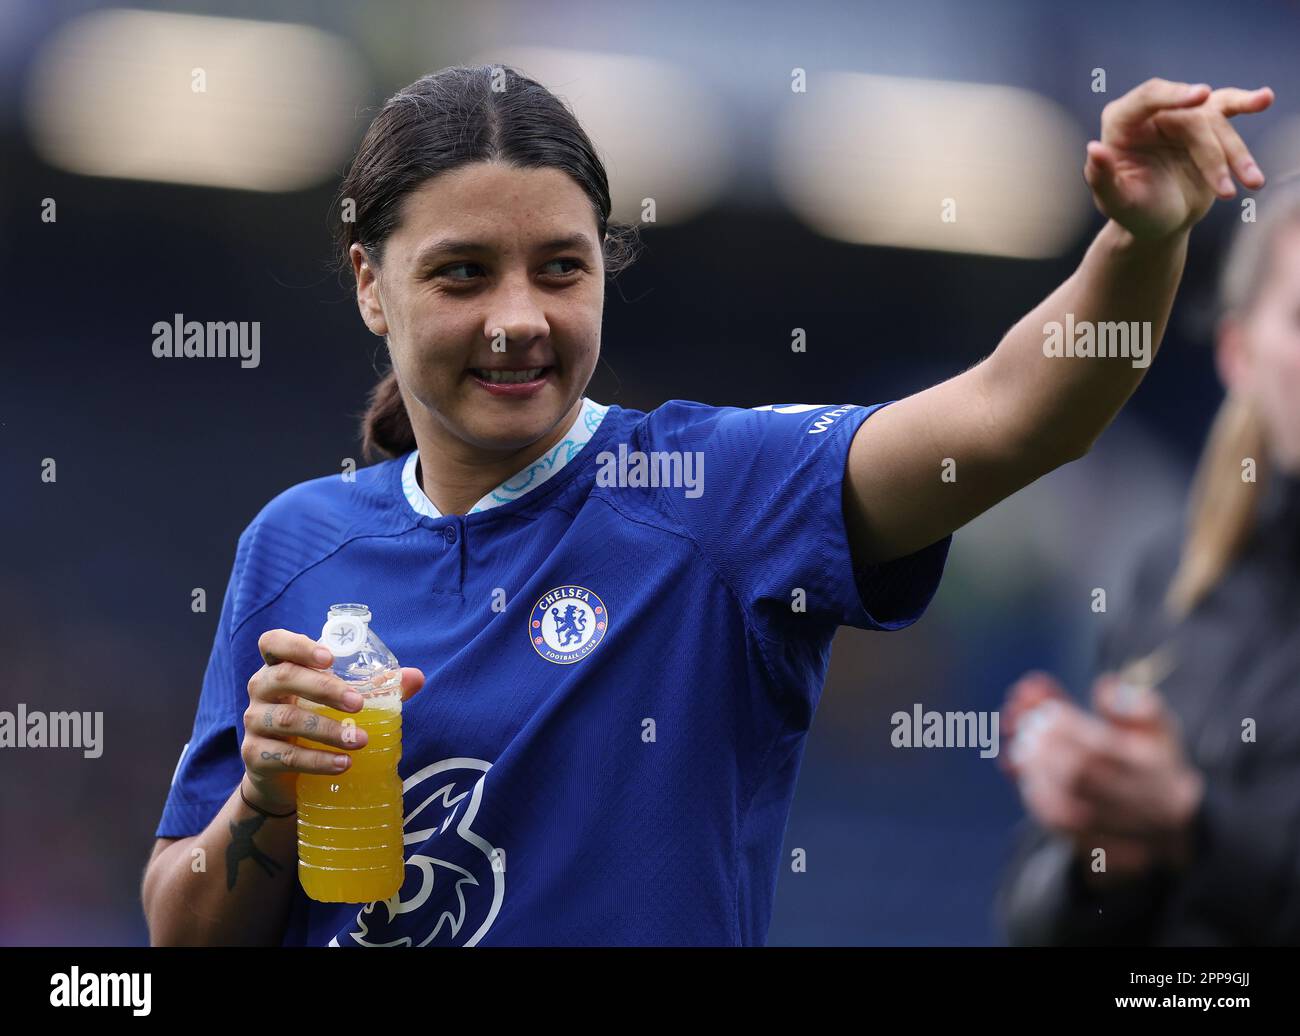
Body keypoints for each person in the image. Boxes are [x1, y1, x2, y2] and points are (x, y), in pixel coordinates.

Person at [140, 64, 1273, 946]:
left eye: (562, 267)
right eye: (461, 272)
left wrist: (1142, 235)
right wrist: (261, 808)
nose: (519, 316)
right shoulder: (296, 545)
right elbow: (178, 931)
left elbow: (1019, 415)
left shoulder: (712, 491)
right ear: (367, 286)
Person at [995, 177, 1300, 946]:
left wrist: (1192, 825)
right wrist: (1101, 847)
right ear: (1236, 350)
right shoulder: (1170, 581)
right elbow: (1034, 924)